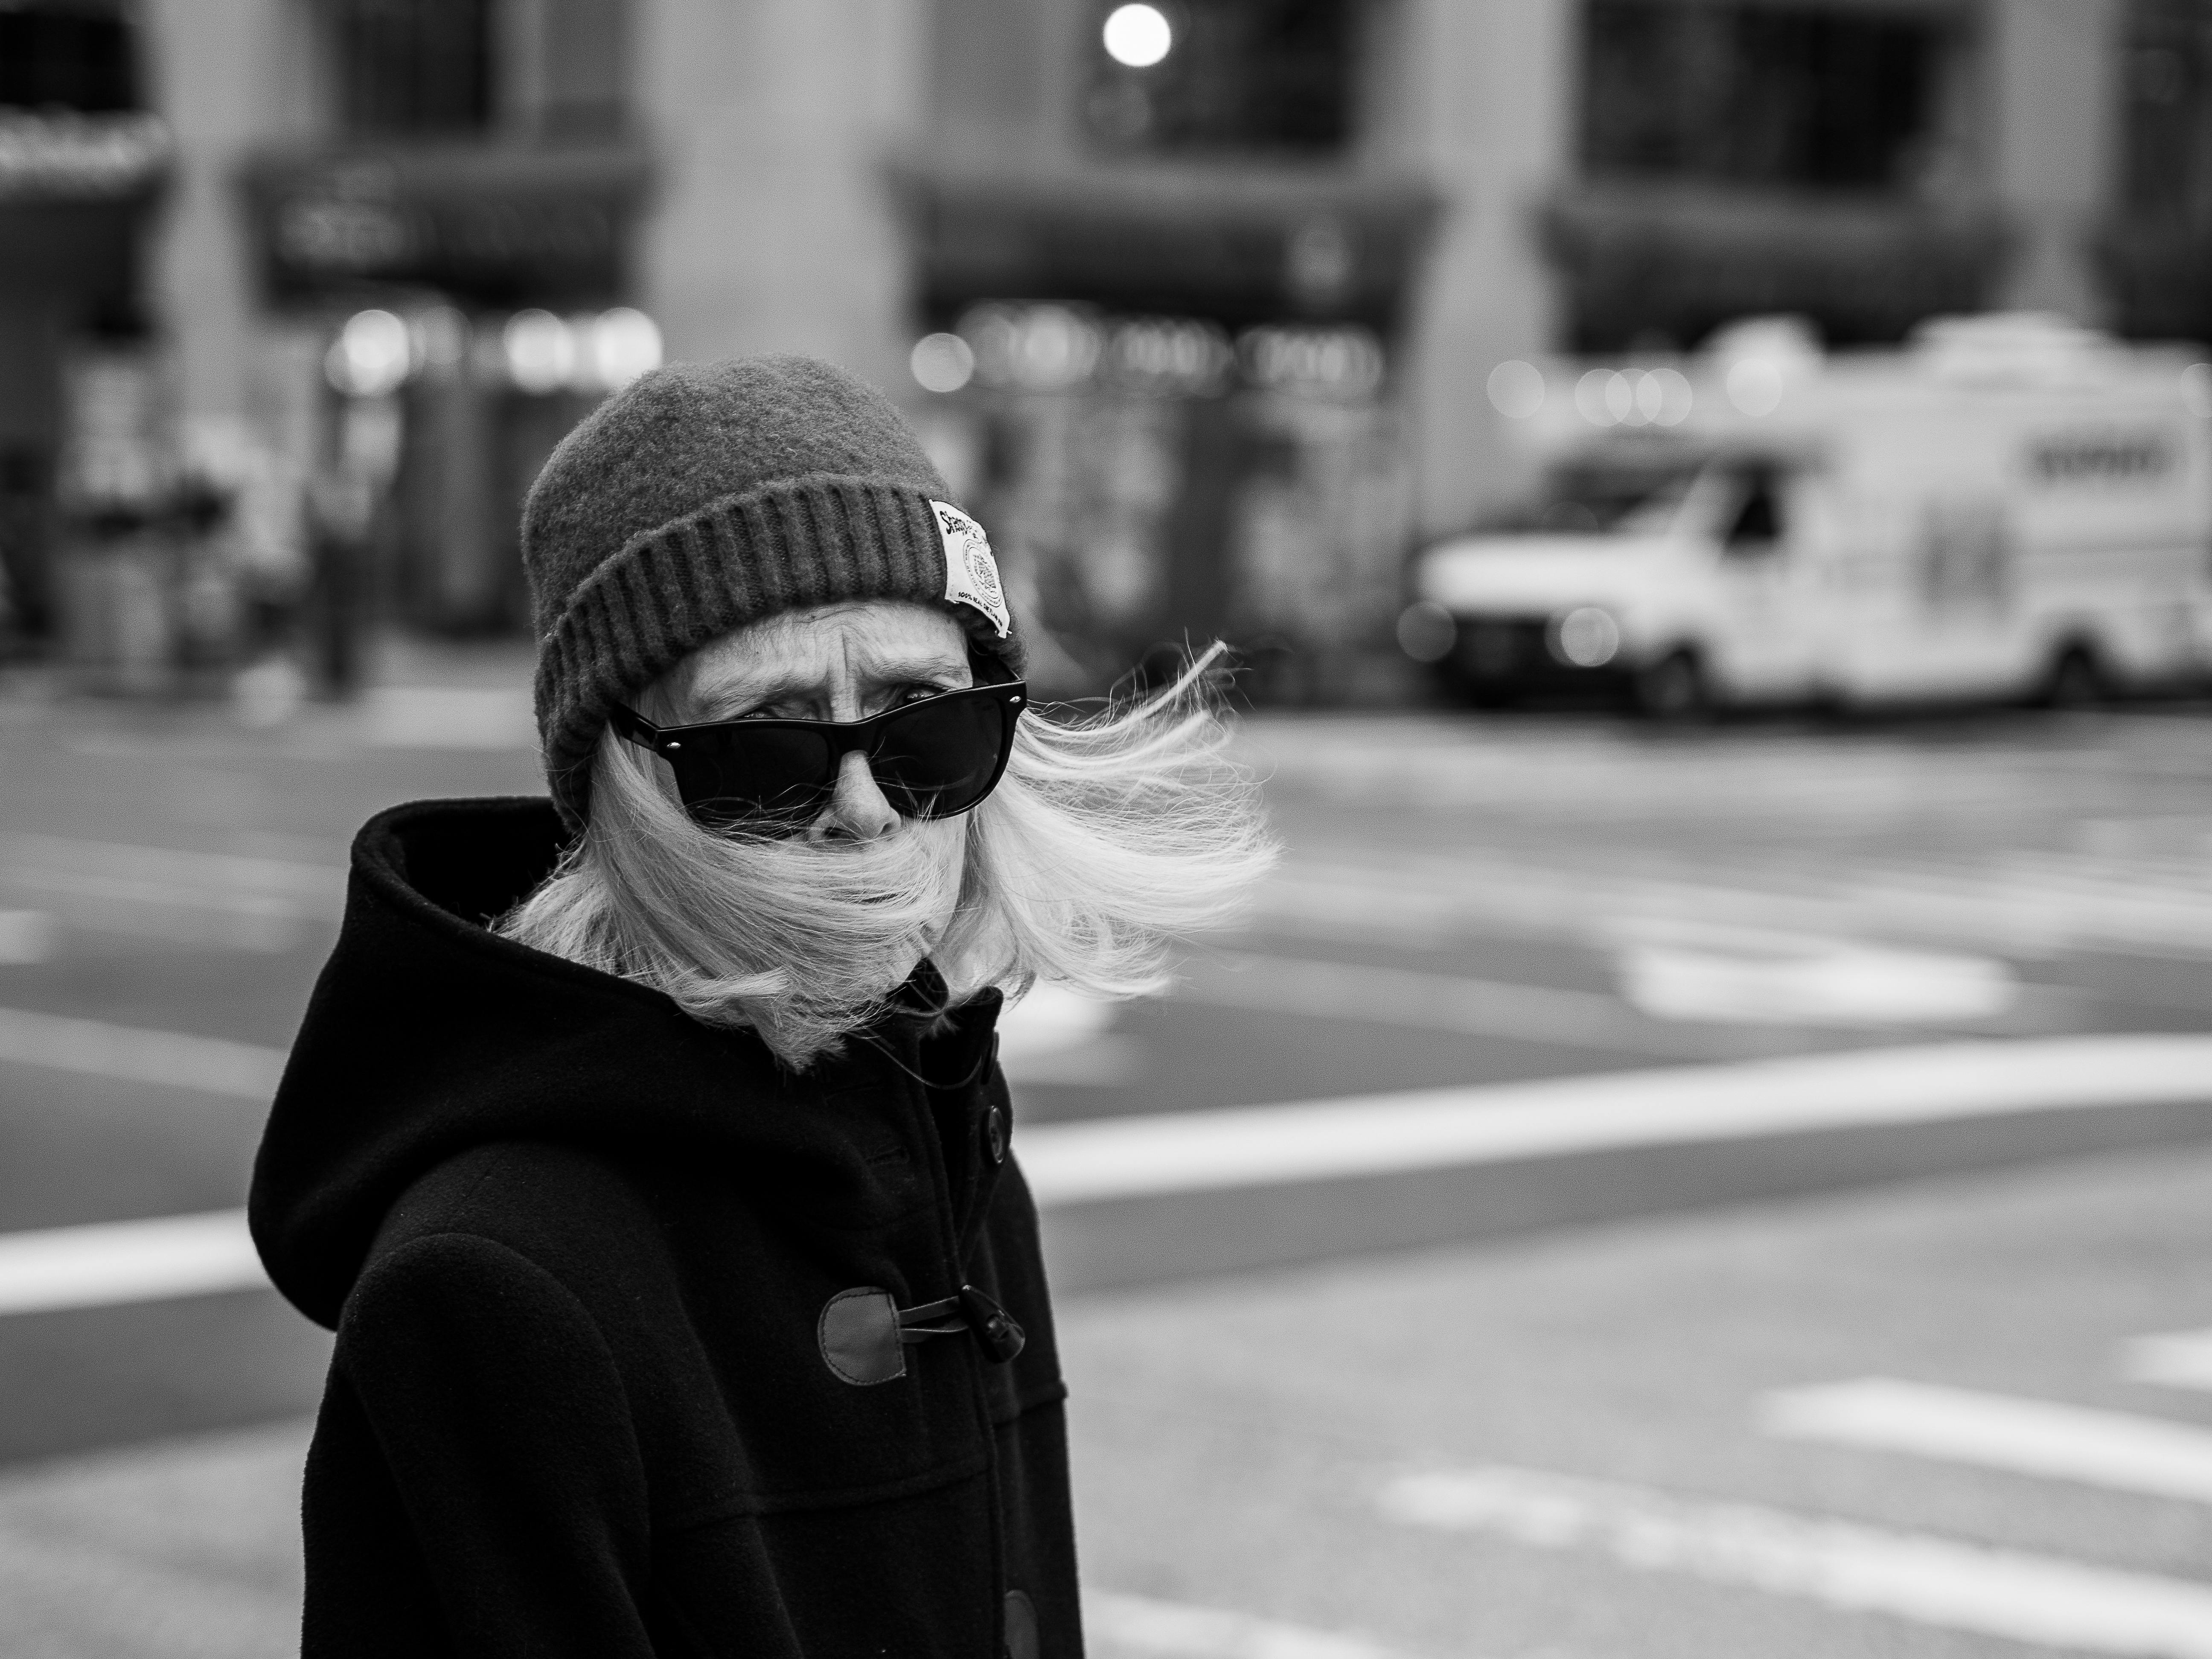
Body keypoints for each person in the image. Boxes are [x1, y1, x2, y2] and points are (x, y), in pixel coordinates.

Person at [249, 355, 1273, 1658]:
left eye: (926, 725)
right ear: (619, 784)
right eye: (763, 749)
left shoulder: (949, 1134)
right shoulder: (494, 1291)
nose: (865, 807)